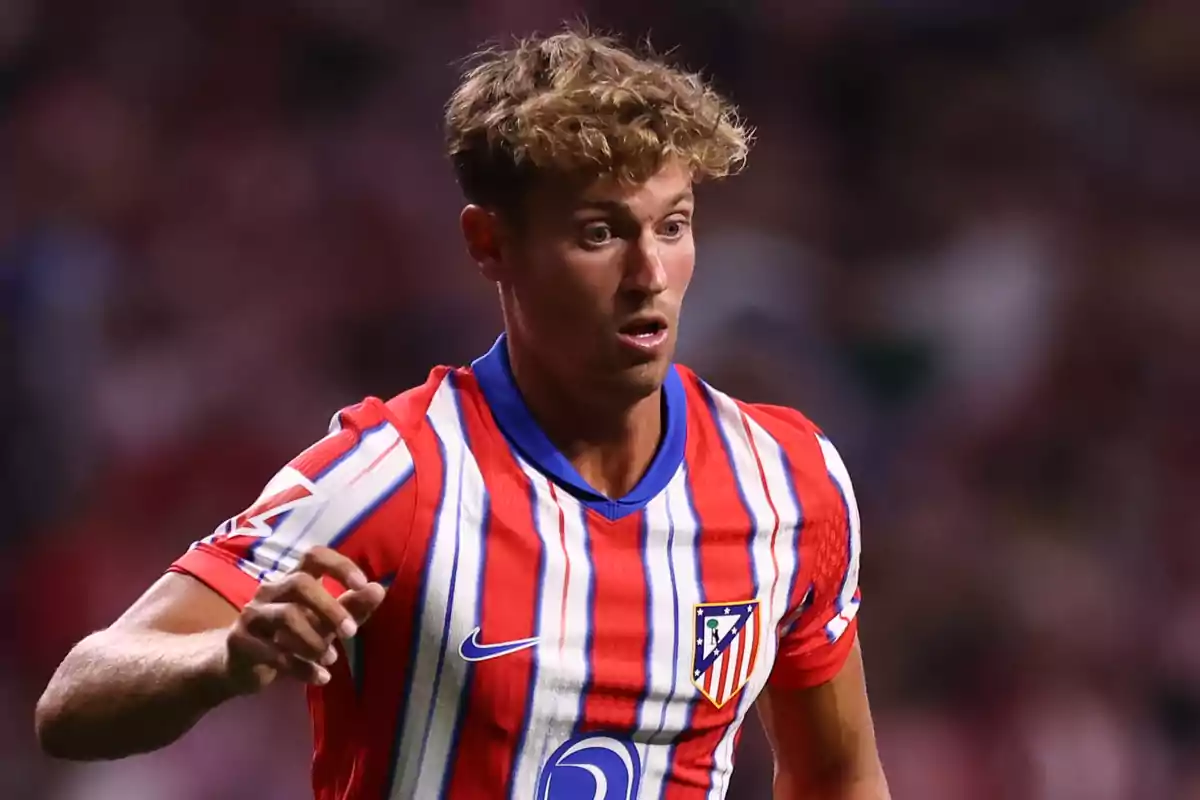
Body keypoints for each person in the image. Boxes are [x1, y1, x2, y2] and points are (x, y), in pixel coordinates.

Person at [35, 28, 890, 800]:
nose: (649, 274)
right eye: (599, 234)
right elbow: (75, 701)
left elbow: (837, 774)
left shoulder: (788, 481)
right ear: (490, 244)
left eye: (672, 226)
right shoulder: (394, 473)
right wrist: (221, 662)